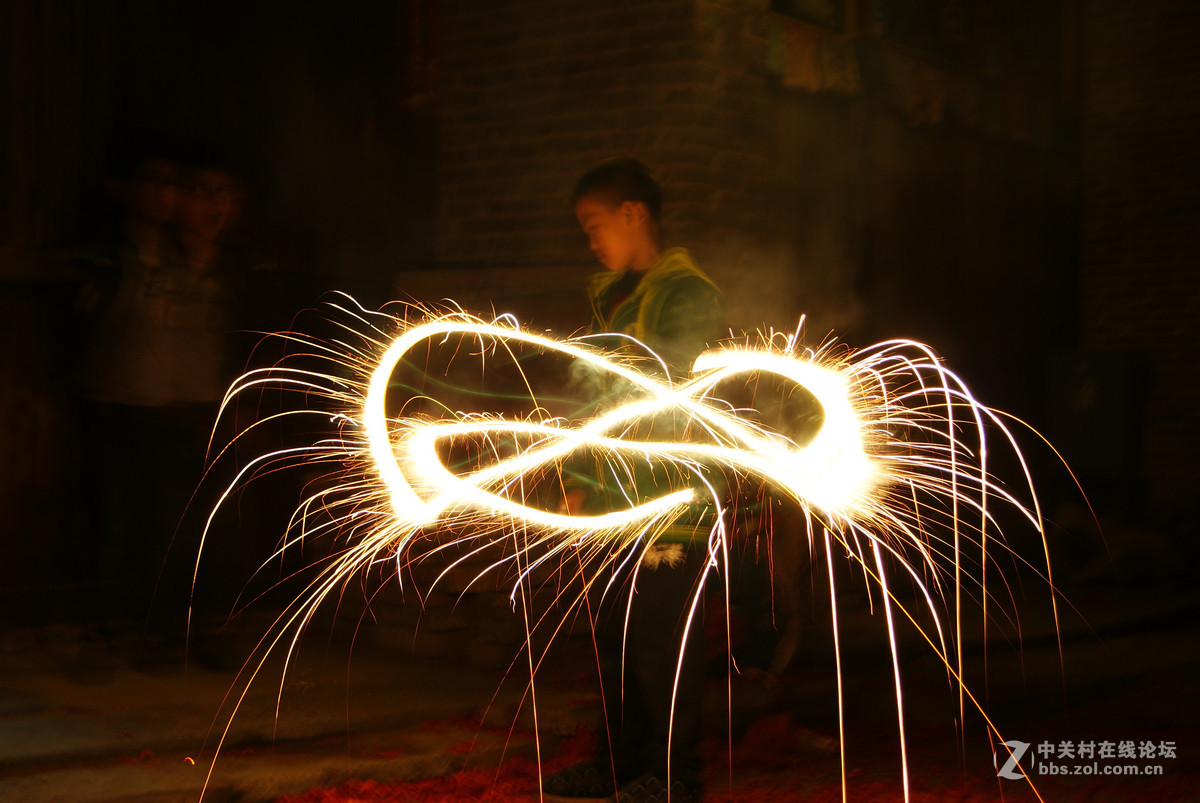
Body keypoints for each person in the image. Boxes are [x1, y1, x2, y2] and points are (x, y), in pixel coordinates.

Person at [546, 159, 725, 803]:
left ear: (633, 214)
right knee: (616, 637)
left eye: (595, 226)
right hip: (615, 495)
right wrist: (580, 476)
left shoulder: (687, 294)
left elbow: (666, 390)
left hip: (671, 499)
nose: (591, 242)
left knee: (660, 642)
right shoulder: (613, 296)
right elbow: (593, 394)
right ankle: (619, 764)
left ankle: (675, 779)